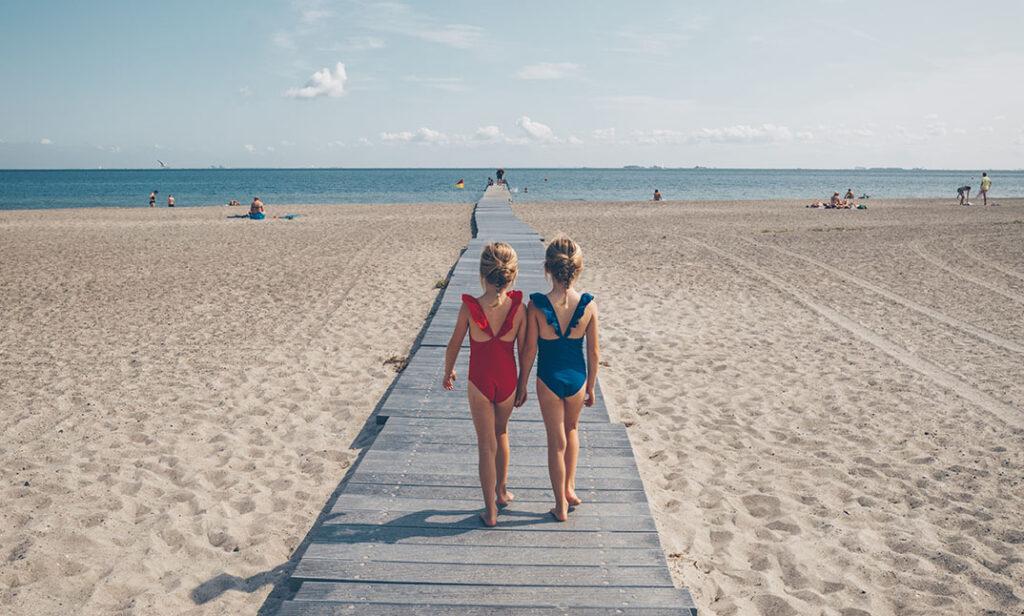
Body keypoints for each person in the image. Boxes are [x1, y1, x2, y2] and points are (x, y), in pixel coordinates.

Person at [516, 236, 600, 522]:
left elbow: (529, 350)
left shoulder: (536, 305)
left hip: (548, 378)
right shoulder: (588, 304)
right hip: (576, 377)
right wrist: (590, 386)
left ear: (548, 269)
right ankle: (569, 489)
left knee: (556, 440)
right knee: (572, 430)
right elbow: (594, 351)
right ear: (577, 269)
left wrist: (521, 383)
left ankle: (560, 505)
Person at [444, 243, 525, 527]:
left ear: (482, 275)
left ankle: (490, 510)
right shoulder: (519, 309)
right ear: (511, 276)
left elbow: (454, 344)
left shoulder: (470, 308)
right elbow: (527, 349)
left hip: (479, 381)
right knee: (501, 433)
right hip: (508, 380)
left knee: (485, 445)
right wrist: (523, 382)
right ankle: (501, 492)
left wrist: (448, 371)